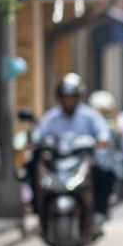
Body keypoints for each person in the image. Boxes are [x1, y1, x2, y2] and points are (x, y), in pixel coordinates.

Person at [34, 73, 115, 223]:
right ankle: (38, 209)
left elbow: (103, 132)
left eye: (72, 97)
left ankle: (99, 210)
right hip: (58, 161)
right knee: (34, 167)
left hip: (82, 160)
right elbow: (38, 133)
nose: (69, 101)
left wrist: (101, 141)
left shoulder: (90, 115)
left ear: (78, 97)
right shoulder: (52, 117)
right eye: (65, 97)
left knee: (104, 172)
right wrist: (35, 141)